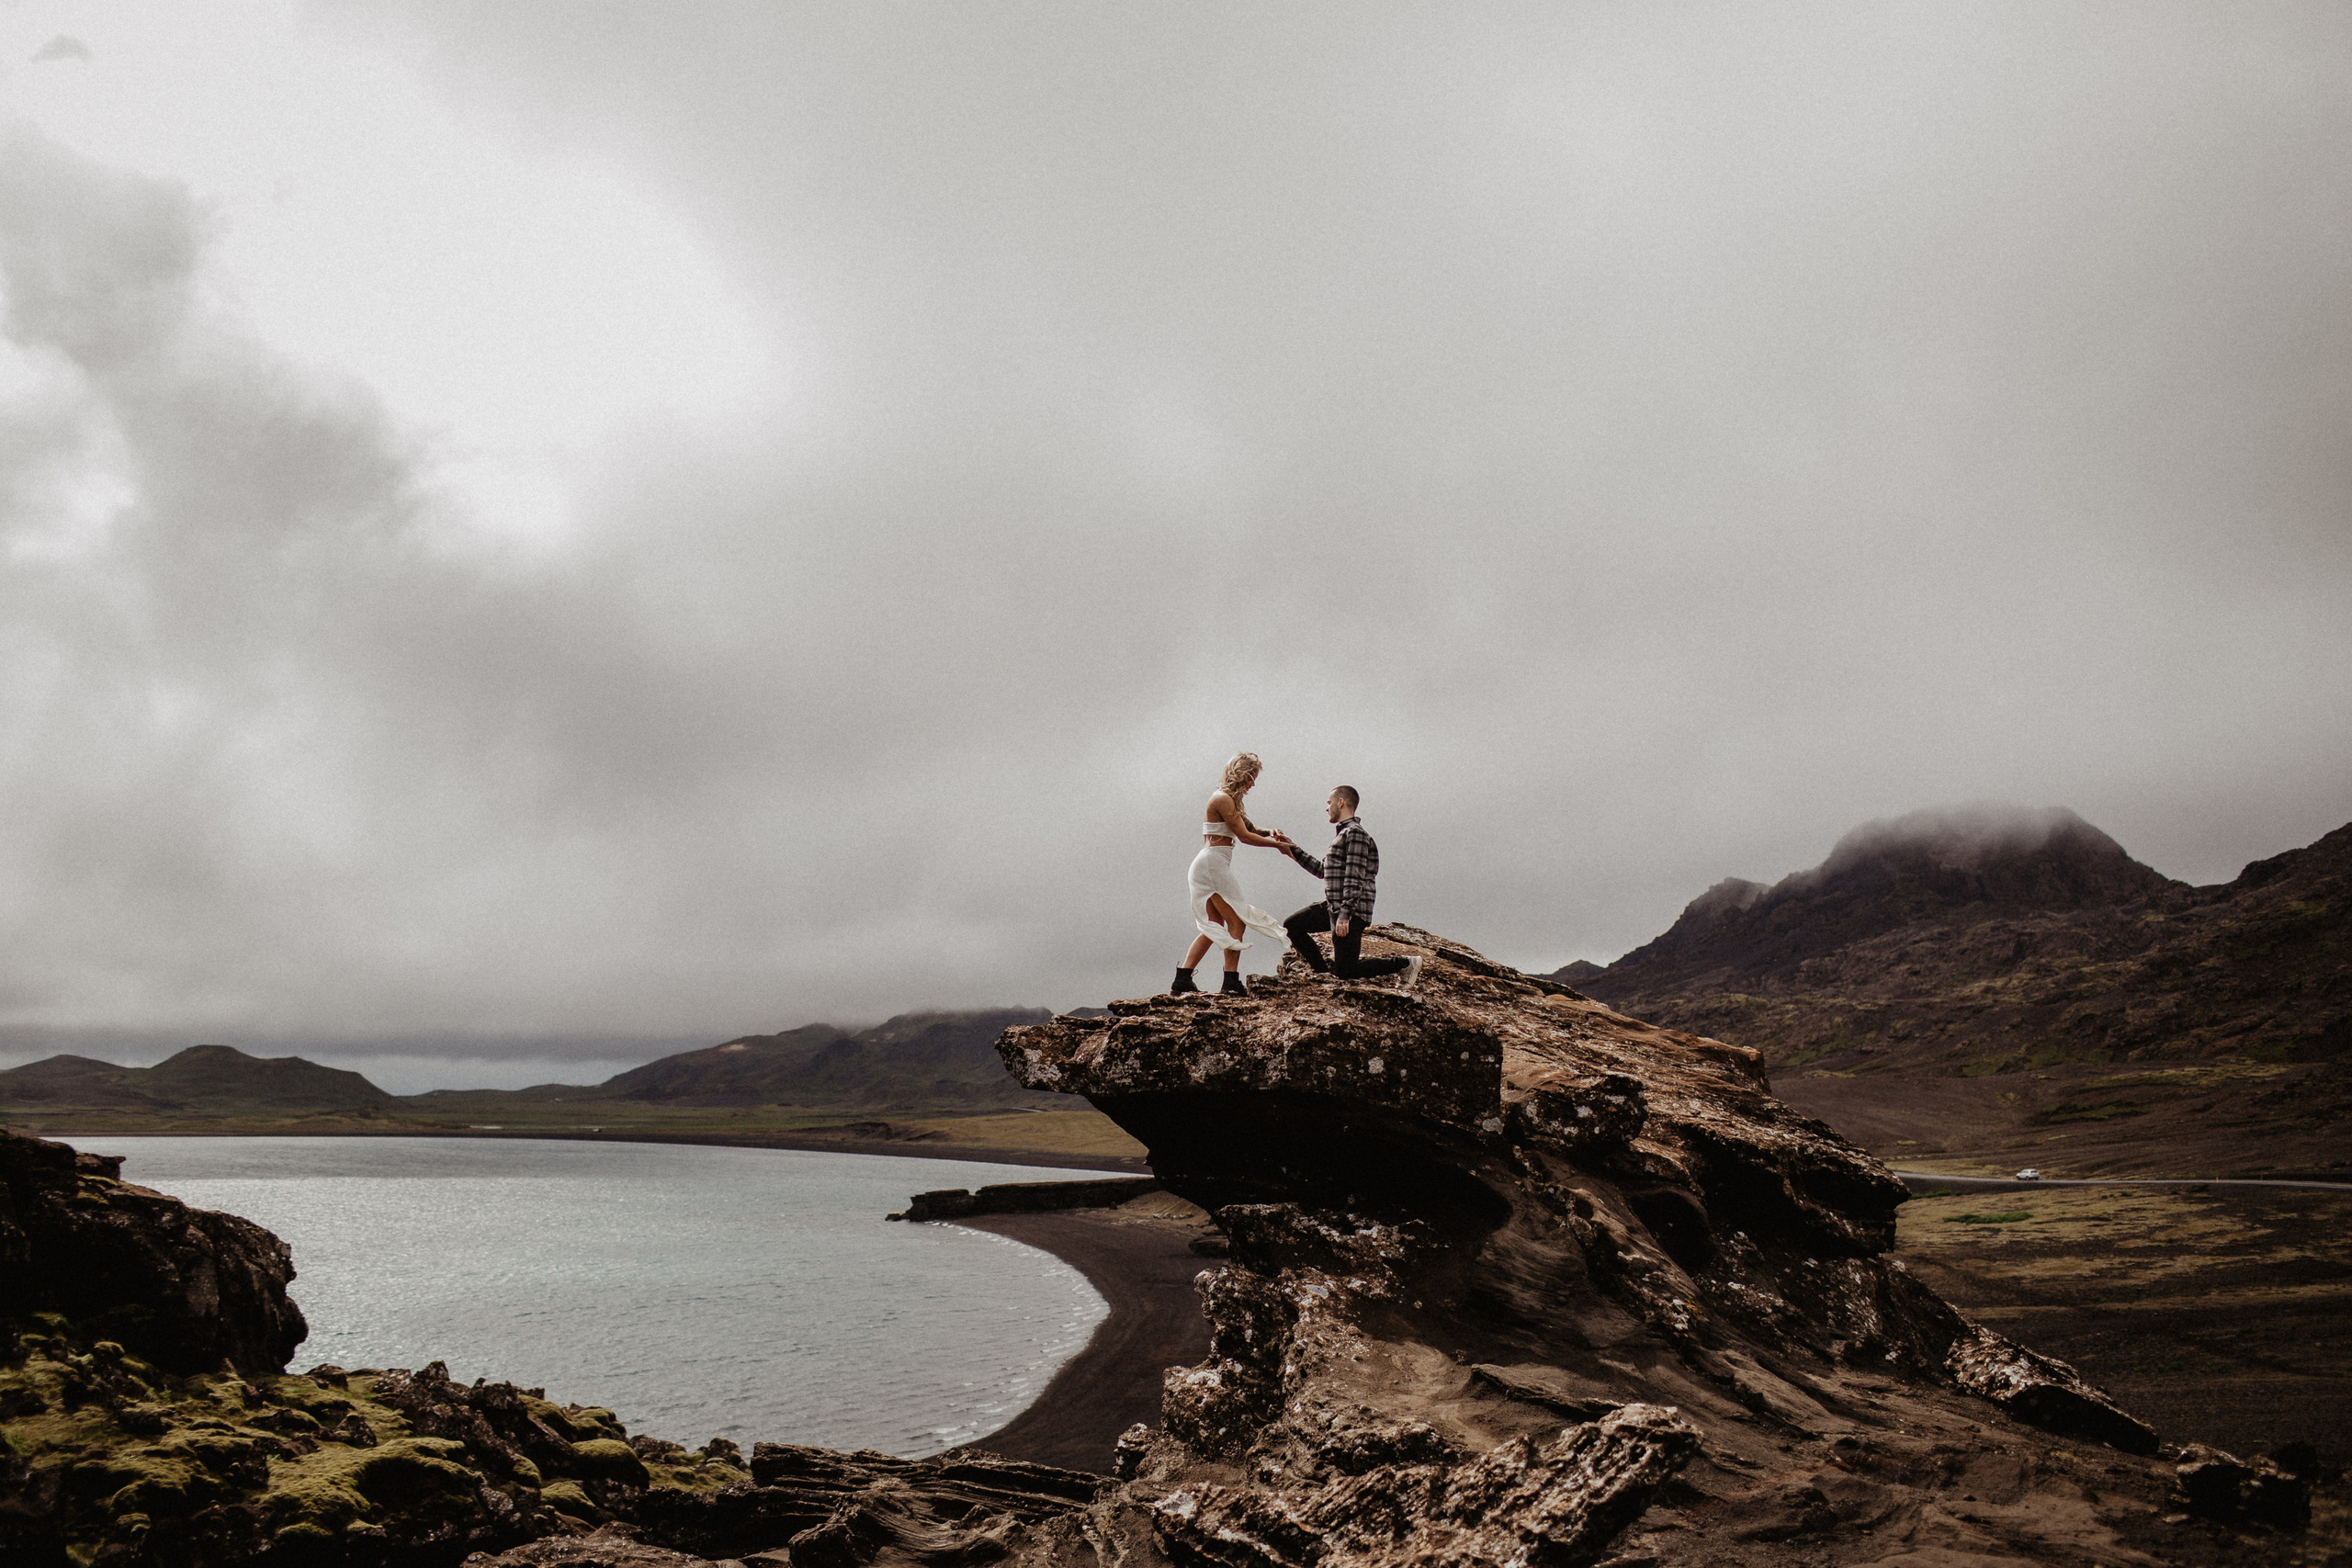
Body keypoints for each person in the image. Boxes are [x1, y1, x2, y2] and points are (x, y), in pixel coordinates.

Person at [1272, 786, 1423, 987]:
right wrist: (1291, 849)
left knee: (1346, 971)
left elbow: (1355, 876)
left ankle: (1405, 963)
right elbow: (1322, 870)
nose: (1327, 808)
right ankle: (1322, 974)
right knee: (1293, 925)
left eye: (1329, 803)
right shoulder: (1343, 835)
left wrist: (1345, 916)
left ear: (1341, 802)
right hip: (1334, 907)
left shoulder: (1355, 834)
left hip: (1351, 911)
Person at [1173, 752, 1292, 996]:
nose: (1253, 783)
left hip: (1209, 865)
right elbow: (1245, 836)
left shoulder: (1228, 800)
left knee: (1214, 924)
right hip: (1212, 864)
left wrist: (1270, 832)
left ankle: (1182, 979)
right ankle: (1230, 982)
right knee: (1237, 920)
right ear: (1240, 773)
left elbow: (1250, 827)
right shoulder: (1223, 799)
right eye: (1250, 777)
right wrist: (1278, 846)